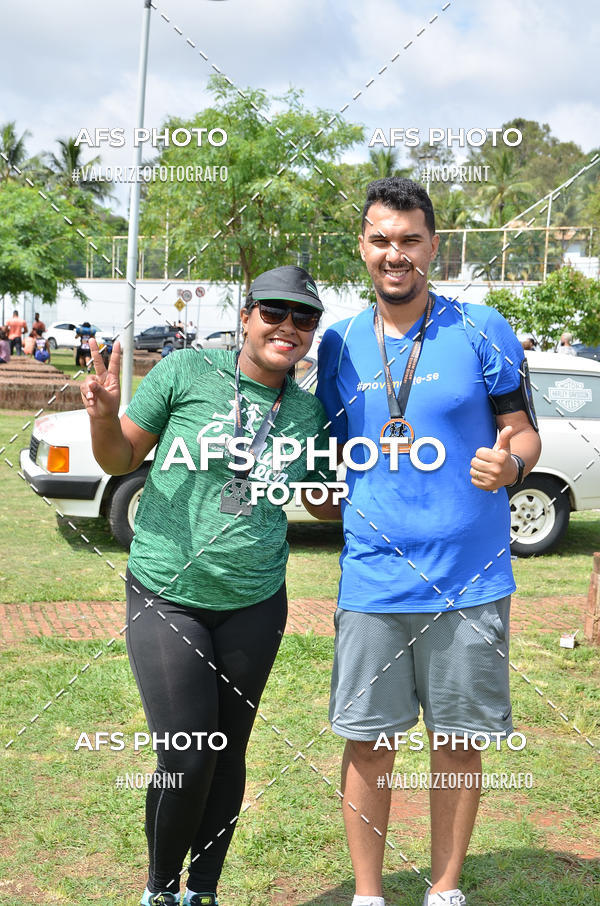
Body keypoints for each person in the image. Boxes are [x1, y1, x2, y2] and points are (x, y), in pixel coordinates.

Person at [315, 178, 541, 906]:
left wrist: (513, 463)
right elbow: (330, 458)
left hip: (469, 578)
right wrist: (317, 491)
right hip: (374, 578)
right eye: (382, 239)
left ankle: (445, 889)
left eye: (410, 240)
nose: (396, 254)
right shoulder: (339, 344)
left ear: (433, 246)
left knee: (456, 742)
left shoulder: (482, 327)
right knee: (370, 741)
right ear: (363, 247)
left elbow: (523, 429)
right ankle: (370, 894)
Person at [80, 265, 334, 906]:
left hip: (254, 599)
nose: (288, 327)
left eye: (304, 318)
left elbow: (324, 501)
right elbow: (119, 459)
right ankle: (160, 890)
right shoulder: (186, 372)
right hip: (168, 591)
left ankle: (205, 891)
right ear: (247, 315)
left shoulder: (305, 412)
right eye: (275, 312)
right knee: (189, 754)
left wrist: (391, 458)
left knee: (228, 755)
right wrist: (105, 418)